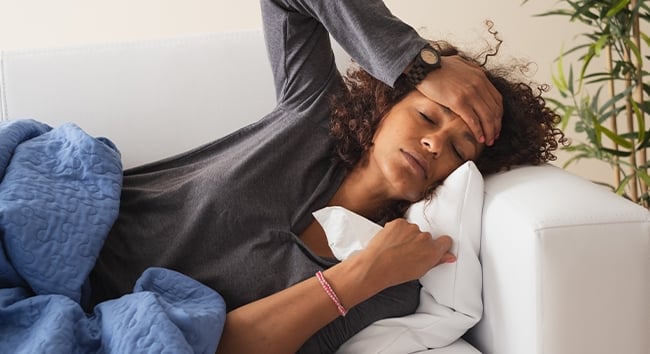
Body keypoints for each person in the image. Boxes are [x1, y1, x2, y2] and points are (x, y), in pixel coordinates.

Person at [88, 0, 565, 353]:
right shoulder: (313, 110)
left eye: (459, 149)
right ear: (388, 103)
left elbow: (227, 347)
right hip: (70, 237)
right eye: (426, 115)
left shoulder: (395, 276)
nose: (434, 144)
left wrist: (363, 273)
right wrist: (415, 60)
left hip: (106, 328)